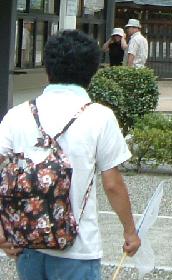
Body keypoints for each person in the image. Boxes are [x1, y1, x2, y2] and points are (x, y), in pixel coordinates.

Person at [0, 30, 140, 279]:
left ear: (47, 68)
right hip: (77, 248)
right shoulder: (99, 116)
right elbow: (112, 184)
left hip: (27, 244)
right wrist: (130, 231)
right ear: (92, 71)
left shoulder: (17, 115)